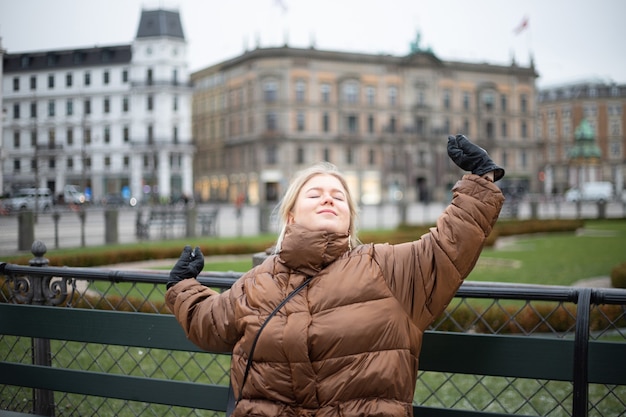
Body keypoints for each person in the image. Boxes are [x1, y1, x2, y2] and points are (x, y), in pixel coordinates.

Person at [166, 134, 505, 416]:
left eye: (338, 197)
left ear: (349, 220)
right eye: (314, 194)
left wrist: (481, 180)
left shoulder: (387, 267)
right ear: (291, 217)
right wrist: (182, 286)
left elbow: (448, 248)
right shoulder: (256, 282)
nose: (328, 198)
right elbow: (208, 322)